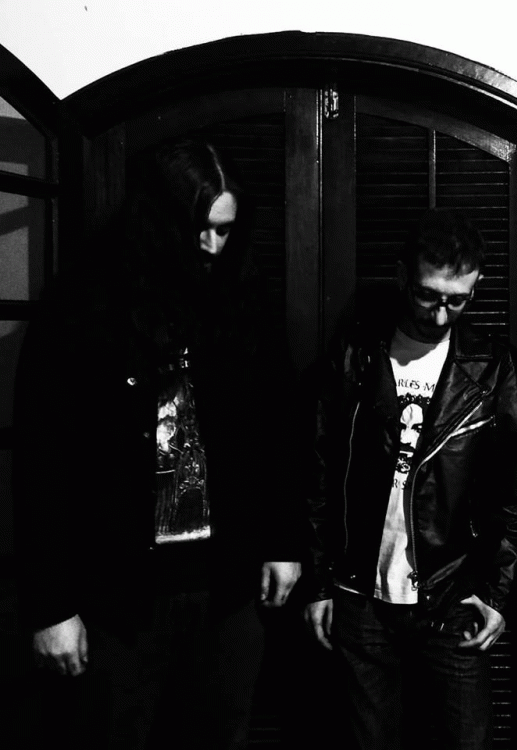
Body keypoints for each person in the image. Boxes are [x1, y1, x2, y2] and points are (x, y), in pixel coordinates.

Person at [14, 136, 301, 749]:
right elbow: (43, 463)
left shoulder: (244, 298)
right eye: (199, 229)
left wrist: (283, 540)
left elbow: (276, 428)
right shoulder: (84, 304)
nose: (213, 246)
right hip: (119, 592)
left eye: (225, 230)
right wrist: (50, 606)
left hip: (224, 586)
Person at [303, 209, 517, 750]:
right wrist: (318, 584)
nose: (442, 313)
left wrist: (496, 594)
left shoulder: (490, 364)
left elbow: (513, 493)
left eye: (459, 300)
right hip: (362, 595)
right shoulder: (356, 354)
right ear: (403, 276)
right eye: (429, 295)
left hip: (453, 597)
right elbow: (318, 472)